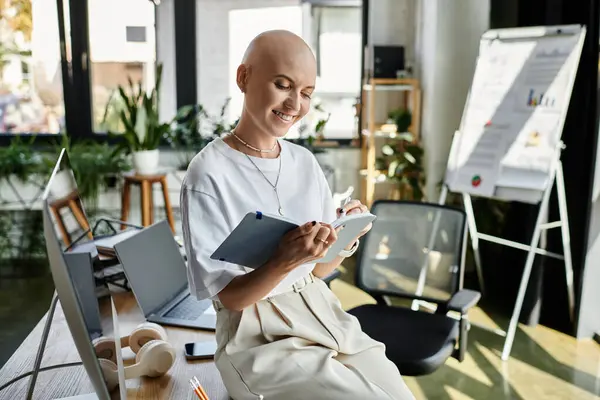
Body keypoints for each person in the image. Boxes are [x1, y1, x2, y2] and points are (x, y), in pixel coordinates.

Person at [180, 30, 415, 400]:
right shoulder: (207, 173)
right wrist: (282, 261)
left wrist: (346, 235)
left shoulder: (303, 162)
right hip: (258, 337)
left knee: (399, 396)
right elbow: (230, 300)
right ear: (244, 78)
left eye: (306, 93)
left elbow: (319, 269)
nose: (295, 103)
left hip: (323, 313)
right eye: (282, 85)